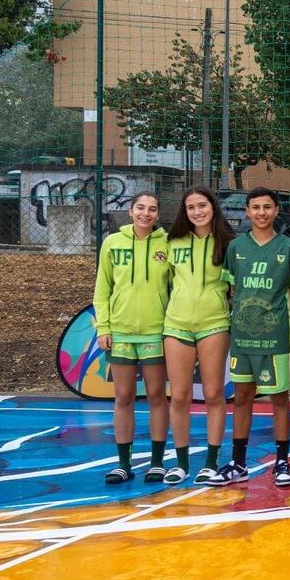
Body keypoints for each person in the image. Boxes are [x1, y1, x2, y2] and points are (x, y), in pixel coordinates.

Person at [216, 188, 290, 486]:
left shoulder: (288, 247)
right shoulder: (236, 247)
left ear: (276, 210)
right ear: (247, 211)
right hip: (243, 338)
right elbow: (231, 289)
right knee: (242, 397)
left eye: (267, 207)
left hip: (275, 338)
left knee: (279, 398)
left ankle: (282, 462)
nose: (262, 212)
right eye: (256, 207)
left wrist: (277, 316)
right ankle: (238, 463)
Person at [93, 193, 171, 484]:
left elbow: (175, 288)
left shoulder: (168, 244)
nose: (145, 213)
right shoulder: (112, 243)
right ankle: (123, 464)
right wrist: (104, 327)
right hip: (121, 331)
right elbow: (103, 288)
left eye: (152, 209)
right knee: (123, 397)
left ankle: (157, 463)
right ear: (130, 211)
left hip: (156, 331)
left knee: (156, 396)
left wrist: (170, 329)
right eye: (140, 208)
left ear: (158, 214)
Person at [162, 187, 234, 485]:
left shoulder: (228, 242)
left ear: (212, 207)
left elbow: (237, 285)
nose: (197, 211)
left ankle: (210, 462)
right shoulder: (172, 242)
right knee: (179, 396)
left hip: (214, 324)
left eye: (202, 205)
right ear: (185, 211)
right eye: (191, 207)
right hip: (176, 325)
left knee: (213, 394)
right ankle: (180, 463)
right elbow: (164, 283)